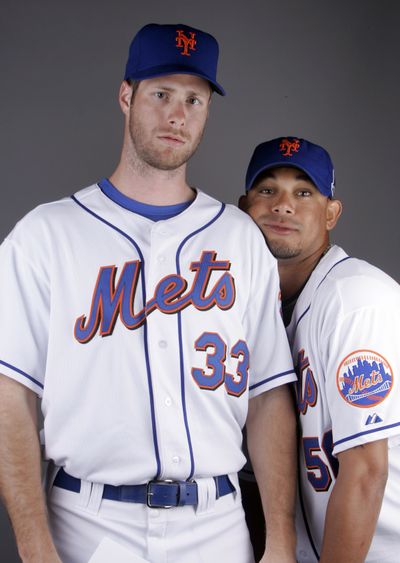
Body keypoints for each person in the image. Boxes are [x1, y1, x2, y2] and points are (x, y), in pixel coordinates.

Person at [0, 25, 297, 563]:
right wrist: (34, 547)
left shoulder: (238, 236)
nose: (177, 115)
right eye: (161, 94)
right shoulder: (45, 234)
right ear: (126, 96)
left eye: (194, 100)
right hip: (88, 524)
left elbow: (268, 396)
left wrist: (279, 539)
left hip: (218, 524)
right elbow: (10, 399)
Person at [239, 136, 400, 562]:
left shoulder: (355, 300)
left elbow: (367, 470)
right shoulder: (256, 307)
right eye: (267, 189)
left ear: (332, 213)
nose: (283, 205)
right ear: (244, 206)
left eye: (304, 192)